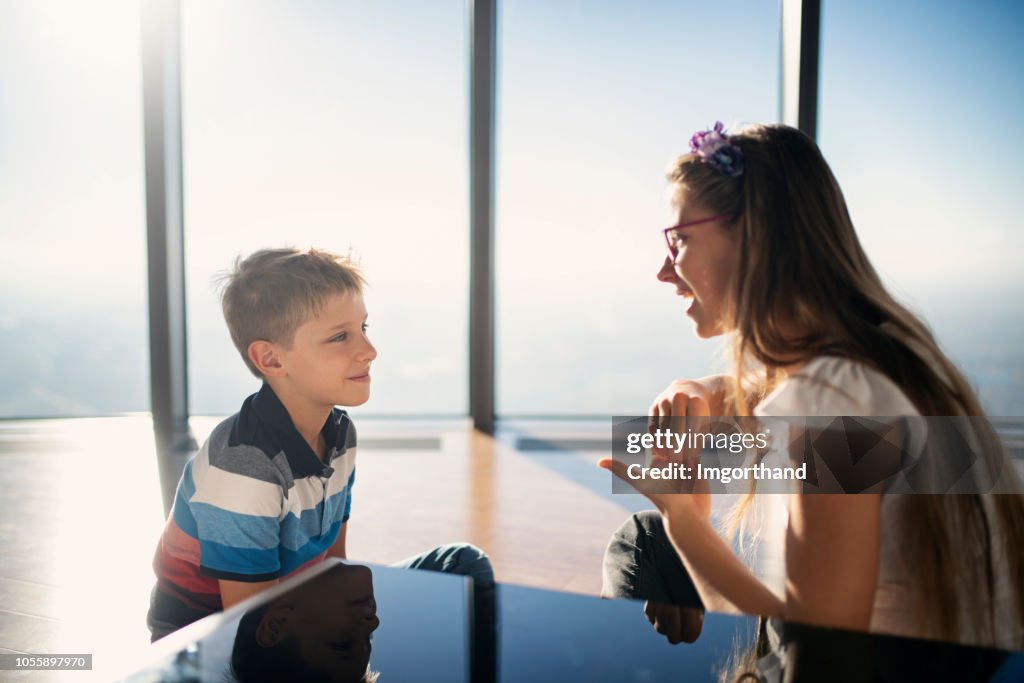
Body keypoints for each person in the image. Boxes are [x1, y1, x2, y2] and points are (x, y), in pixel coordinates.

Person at [600, 122, 1024, 651]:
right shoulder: (883, 351)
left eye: (680, 240)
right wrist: (703, 389)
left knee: (648, 541)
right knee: (643, 536)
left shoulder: (828, 403)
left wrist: (686, 522)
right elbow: (758, 388)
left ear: (755, 241)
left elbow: (818, 660)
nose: (665, 270)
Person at [147, 248, 492, 641]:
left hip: (304, 604)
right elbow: (256, 631)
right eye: (340, 336)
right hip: (219, 642)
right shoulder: (243, 470)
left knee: (463, 563)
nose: (369, 350)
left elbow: (333, 568)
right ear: (271, 359)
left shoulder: (340, 433)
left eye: (364, 328)